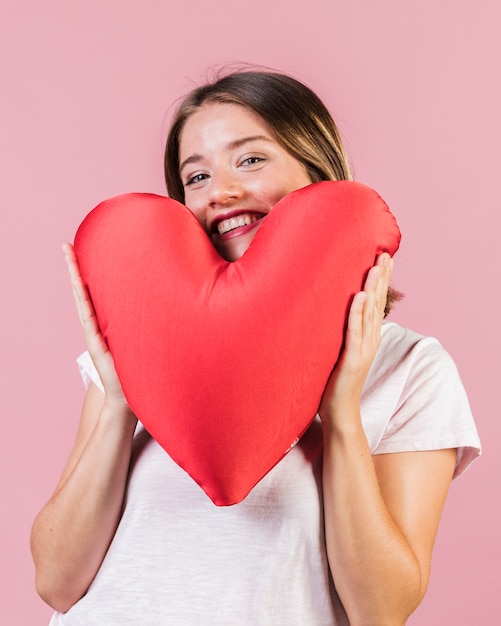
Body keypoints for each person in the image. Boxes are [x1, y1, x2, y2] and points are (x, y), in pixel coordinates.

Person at [31, 70, 481, 626]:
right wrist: (124, 396)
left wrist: (340, 414)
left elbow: (381, 609)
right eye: (195, 176)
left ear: (318, 176)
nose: (220, 192)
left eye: (250, 160)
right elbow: (55, 582)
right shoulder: (128, 354)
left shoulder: (411, 367)